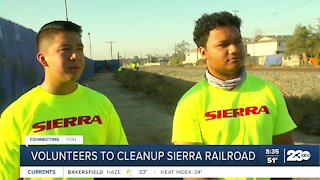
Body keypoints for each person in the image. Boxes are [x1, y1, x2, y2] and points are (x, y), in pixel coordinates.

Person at [171, 11, 297, 180]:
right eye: (223, 45)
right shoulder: (190, 103)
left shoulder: (269, 91)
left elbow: (285, 154)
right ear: (203, 52)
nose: (234, 49)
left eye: (238, 42)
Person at [0, 21, 128, 179]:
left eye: (79, 49)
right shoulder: (16, 115)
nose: (75, 56)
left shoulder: (101, 104)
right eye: (65, 49)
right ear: (43, 59)